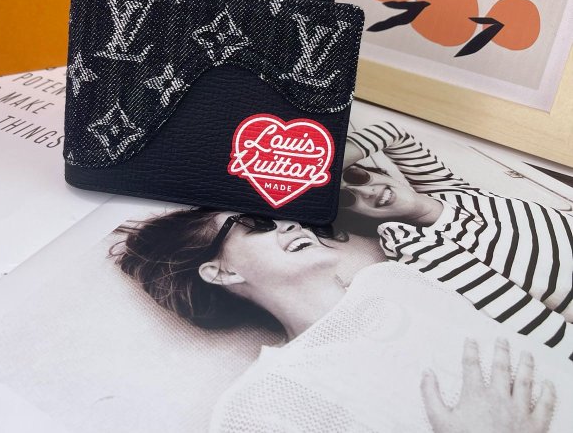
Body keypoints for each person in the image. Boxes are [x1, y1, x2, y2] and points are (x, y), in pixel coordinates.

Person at [113, 209, 571, 432]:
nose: (289, 224)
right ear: (222, 272)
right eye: (256, 222)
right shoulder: (258, 407)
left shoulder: (398, 277)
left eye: (285, 214)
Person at [340, 122, 573, 360]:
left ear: (378, 172)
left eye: (356, 175)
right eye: (347, 198)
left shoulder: (447, 189)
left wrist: (324, 166)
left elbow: (393, 133)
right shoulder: (416, 244)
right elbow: (538, 326)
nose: (368, 192)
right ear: (355, 219)